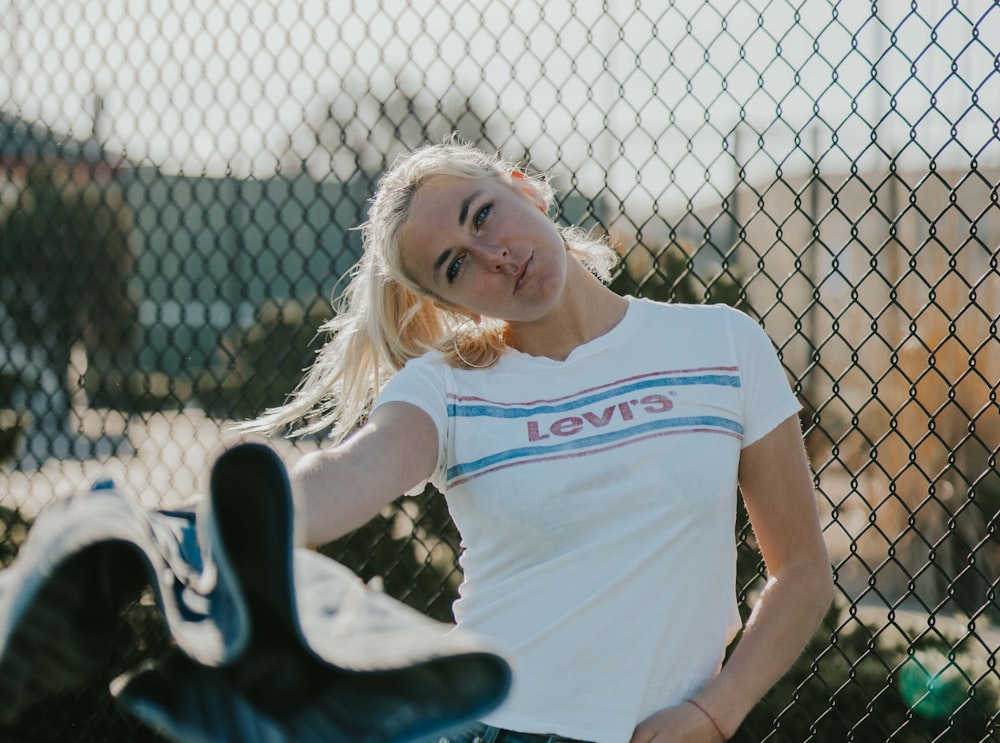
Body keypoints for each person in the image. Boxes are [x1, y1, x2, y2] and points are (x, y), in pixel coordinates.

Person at [237, 137, 833, 743]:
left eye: (483, 214)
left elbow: (803, 571)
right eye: (455, 265)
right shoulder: (446, 389)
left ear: (524, 189)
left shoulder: (722, 344)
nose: (493, 255)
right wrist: (236, 522)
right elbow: (360, 466)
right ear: (451, 303)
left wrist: (716, 712)